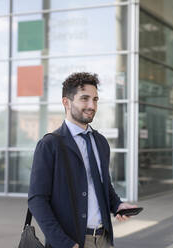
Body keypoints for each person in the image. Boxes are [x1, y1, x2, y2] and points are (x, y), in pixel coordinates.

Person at [28, 72, 136, 248]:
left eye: (95, 99)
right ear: (66, 102)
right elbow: (37, 199)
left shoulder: (100, 142)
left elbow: (104, 185)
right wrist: (63, 243)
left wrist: (118, 205)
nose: (91, 105)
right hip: (71, 242)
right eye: (84, 99)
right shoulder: (50, 144)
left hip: (104, 239)